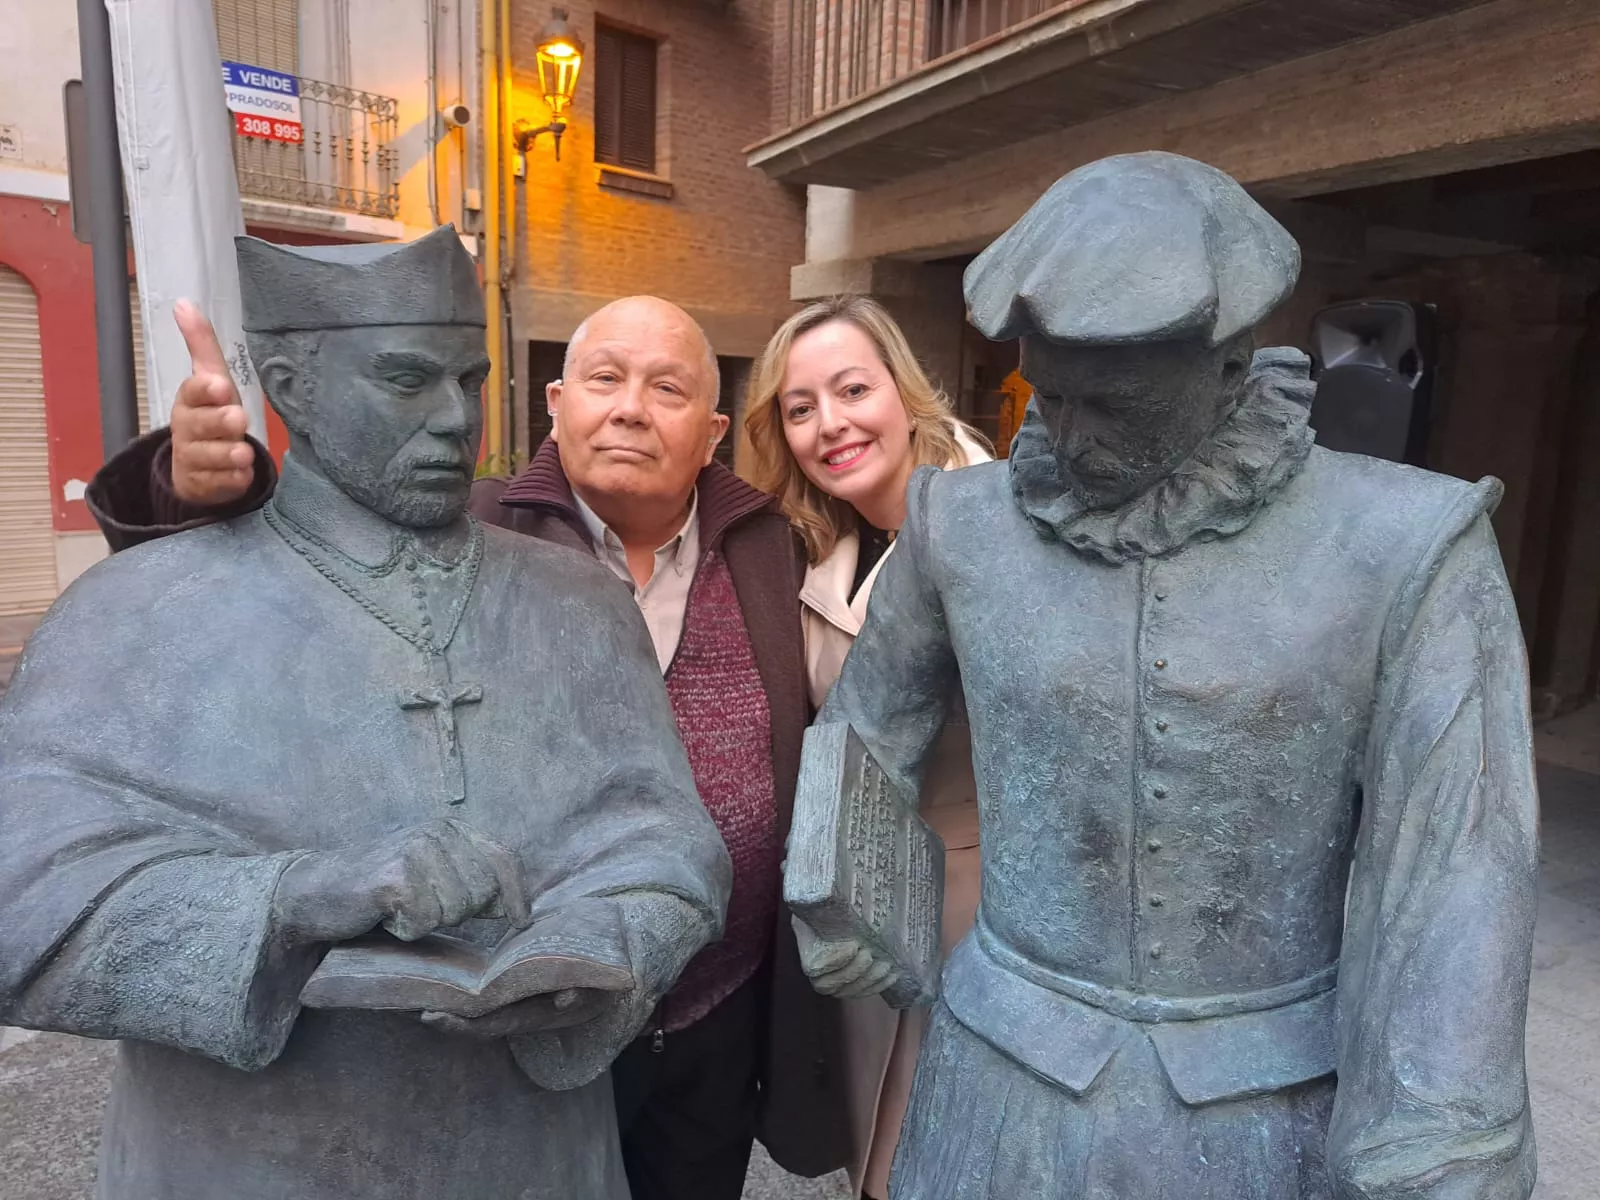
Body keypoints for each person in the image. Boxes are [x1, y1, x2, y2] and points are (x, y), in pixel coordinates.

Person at [794, 152, 1539, 1199]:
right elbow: (867, 726)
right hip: (994, 1089)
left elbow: (1459, 865)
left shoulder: (1409, 544)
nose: (1068, 435)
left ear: (1231, 362)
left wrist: (1441, 1140)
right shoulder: (956, 526)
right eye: (1048, 397)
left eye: (1115, 403)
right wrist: (842, 894)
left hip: (1268, 1114)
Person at [0, 228, 733, 1199]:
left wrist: (612, 938)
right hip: (238, 1165)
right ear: (292, 386)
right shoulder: (135, 610)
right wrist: (299, 897)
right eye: (405, 381)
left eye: (470, 381)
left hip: (540, 1159)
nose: (454, 419)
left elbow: (661, 832)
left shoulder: (580, 603)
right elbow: (25, 901)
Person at [742, 294, 991, 1200]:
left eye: (852, 390)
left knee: (951, 1150)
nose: (830, 425)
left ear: (904, 389)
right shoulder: (815, 542)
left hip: (983, 898)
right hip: (863, 895)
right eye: (800, 409)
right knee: (873, 1149)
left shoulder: (996, 522)